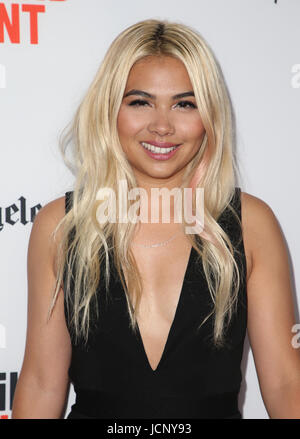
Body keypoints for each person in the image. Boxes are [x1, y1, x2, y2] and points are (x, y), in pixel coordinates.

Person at [12, 19, 300, 419]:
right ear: (110, 109)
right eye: (140, 102)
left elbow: (287, 384)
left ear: (209, 115)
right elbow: (42, 383)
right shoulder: (59, 227)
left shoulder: (252, 225)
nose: (162, 126)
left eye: (185, 103)